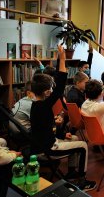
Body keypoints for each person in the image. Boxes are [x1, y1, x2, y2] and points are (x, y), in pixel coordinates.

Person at [30, 45, 96, 191]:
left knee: (74, 139)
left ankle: (72, 171)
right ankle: (82, 180)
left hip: (43, 142)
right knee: (84, 146)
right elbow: (60, 84)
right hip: (49, 148)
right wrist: (62, 57)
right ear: (47, 92)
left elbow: (45, 126)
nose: (54, 91)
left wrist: (60, 133)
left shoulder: (36, 105)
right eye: (51, 90)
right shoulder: (45, 105)